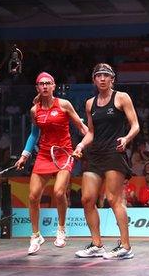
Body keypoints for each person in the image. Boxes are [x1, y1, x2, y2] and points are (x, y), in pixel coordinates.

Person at [15, 72, 88, 255]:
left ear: (54, 86)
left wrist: (88, 141)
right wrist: (25, 155)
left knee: (58, 192)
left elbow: (80, 126)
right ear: (37, 88)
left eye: (48, 83)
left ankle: (61, 229)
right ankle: (35, 235)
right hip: (44, 156)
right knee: (32, 197)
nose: (45, 86)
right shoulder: (35, 110)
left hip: (64, 154)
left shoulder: (64, 105)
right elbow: (34, 135)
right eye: (41, 84)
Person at [73, 63, 140, 260]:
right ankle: (97, 244)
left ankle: (125, 246)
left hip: (114, 153)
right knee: (87, 199)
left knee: (113, 199)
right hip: (95, 155)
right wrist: (80, 146)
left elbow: (135, 125)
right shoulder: (89, 104)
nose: (102, 78)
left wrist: (126, 139)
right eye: (98, 75)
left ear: (112, 79)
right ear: (94, 80)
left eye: (106, 75)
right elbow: (91, 132)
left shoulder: (121, 97)